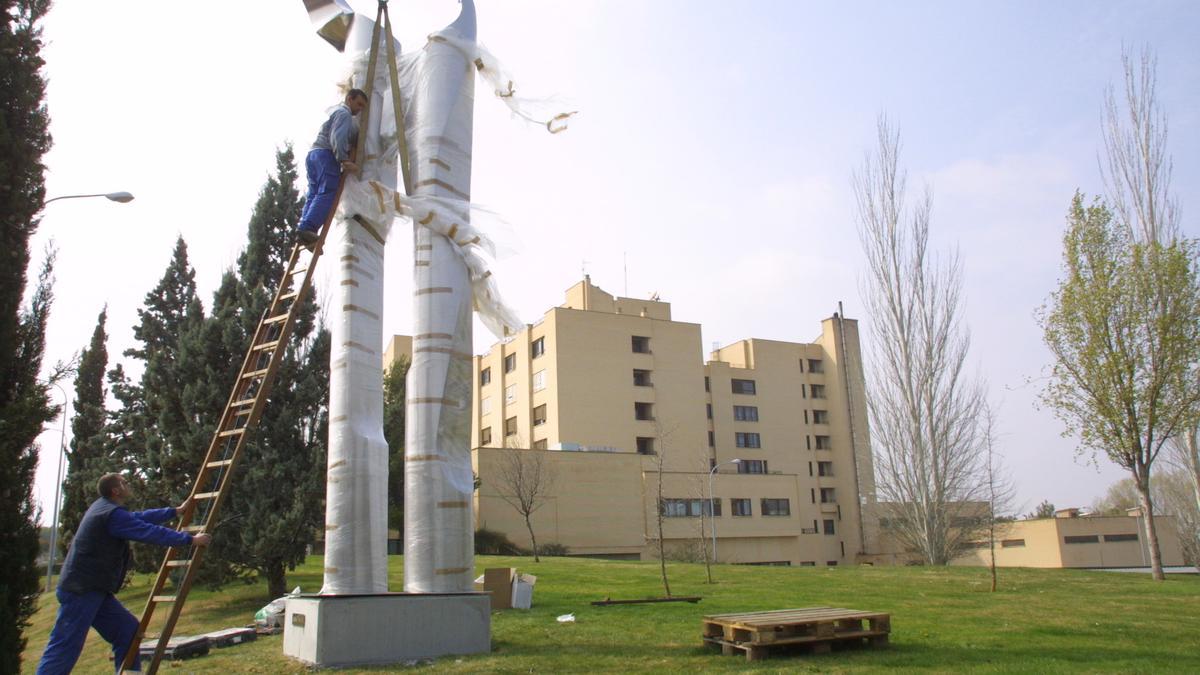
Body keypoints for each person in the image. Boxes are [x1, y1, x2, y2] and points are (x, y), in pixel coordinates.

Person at [37, 473, 212, 674]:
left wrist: (174, 511)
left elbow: (137, 518)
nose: (129, 484)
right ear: (116, 490)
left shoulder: (106, 508)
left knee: (128, 632)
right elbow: (149, 532)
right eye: (124, 482)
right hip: (80, 590)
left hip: (94, 589)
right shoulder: (111, 515)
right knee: (65, 646)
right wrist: (190, 540)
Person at [297, 88, 369, 248]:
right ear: (349, 99)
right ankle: (308, 228)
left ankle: (305, 230)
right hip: (326, 155)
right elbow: (337, 137)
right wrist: (343, 159)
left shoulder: (336, 112)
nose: (359, 109)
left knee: (314, 193)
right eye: (358, 104)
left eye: (363, 107)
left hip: (314, 154)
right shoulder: (344, 114)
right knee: (327, 191)